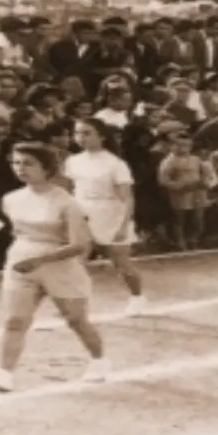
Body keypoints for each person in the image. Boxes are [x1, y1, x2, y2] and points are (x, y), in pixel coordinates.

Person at [0, 143, 106, 392]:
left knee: (76, 319)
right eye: (16, 163)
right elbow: (19, 233)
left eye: (28, 163)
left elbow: (79, 245)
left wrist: (39, 260)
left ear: (47, 168)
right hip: (20, 262)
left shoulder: (67, 203)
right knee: (15, 320)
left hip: (60, 266)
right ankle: (4, 373)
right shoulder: (11, 199)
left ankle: (100, 361)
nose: (20, 168)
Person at [65, 118, 146, 314]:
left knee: (121, 265)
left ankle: (137, 297)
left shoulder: (115, 164)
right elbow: (69, 192)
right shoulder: (72, 161)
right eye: (78, 133)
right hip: (83, 214)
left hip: (111, 214)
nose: (81, 137)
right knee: (75, 262)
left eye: (87, 133)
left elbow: (127, 199)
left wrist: (122, 225)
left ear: (101, 136)